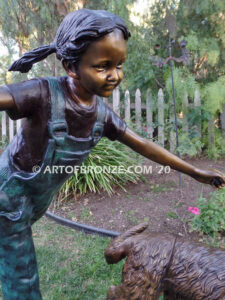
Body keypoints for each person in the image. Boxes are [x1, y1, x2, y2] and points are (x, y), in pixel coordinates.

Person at [0, 8, 224, 300]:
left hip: (32, 202)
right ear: (70, 65)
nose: (114, 75)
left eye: (119, 65)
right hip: (8, 198)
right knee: (22, 277)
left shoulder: (100, 116)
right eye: (103, 66)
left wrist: (196, 172)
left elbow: (143, 144)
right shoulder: (41, 94)